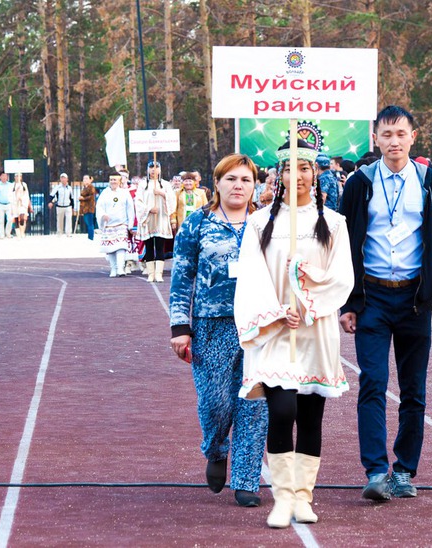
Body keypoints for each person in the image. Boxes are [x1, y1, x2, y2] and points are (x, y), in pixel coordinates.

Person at [338, 105, 432, 501]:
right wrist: (348, 301)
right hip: (372, 297)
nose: (393, 141)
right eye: (386, 134)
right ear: (376, 138)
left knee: (414, 390)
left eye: (400, 133)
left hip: (414, 300)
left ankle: (405, 469)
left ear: (413, 136)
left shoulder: (429, 182)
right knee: (371, 382)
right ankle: (375, 471)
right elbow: (343, 243)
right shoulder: (360, 183)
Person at [234, 140, 354, 528]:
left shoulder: (334, 223)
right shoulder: (258, 224)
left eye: (305, 168)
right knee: (281, 411)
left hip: (314, 329)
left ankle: (304, 496)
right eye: (290, 169)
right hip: (275, 331)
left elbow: (343, 276)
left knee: (311, 416)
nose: (297, 176)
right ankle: (282, 498)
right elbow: (250, 276)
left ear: (314, 174)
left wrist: (307, 290)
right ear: (279, 175)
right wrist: (275, 312)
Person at [170, 154, 268, 509]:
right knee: (215, 402)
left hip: (259, 326)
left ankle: (246, 479)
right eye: (230, 179)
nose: (238, 185)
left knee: (255, 404)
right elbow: (182, 277)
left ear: (254, 184)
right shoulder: (197, 223)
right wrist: (180, 327)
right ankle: (216, 449)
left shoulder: (267, 224)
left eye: (245, 179)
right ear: (217, 184)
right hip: (212, 325)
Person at [135, 161, 175, 283]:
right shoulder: (142, 185)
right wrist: (149, 210)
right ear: (148, 170)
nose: (154, 170)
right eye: (151, 167)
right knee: (149, 246)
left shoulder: (166, 185)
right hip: (148, 219)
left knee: (159, 246)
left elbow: (172, 201)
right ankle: (151, 273)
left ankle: (159, 273)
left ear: (160, 170)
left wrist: (162, 194)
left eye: (156, 167)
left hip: (161, 219)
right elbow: (138, 202)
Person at [96, 173, 135, 277]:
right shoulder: (105, 193)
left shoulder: (124, 193)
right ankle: (113, 268)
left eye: (115, 180)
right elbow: (99, 207)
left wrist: (130, 225)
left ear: (119, 181)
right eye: (111, 179)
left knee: (121, 247)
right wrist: (103, 215)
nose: (113, 182)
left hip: (121, 224)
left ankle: (121, 269)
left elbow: (130, 209)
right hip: (108, 225)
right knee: (111, 249)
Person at [0, 172, 15, 238]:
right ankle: (2, 234)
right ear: (0, 177)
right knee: (1, 220)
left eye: (6, 176)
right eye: (3, 176)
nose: (4, 177)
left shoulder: (11, 185)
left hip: (9, 204)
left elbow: (13, 194)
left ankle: (8, 233)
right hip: (0, 204)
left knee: (10, 219)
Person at [11, 173, 32, 238]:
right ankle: (18, 233)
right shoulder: (12, 185)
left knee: (22, 217)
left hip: (22, 204)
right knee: (16, 219)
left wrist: (25, 201)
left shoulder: (24, 184)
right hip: (15, 204)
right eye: (16, 176)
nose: (18, 177)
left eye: (19, 176)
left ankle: (22, 232)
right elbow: (10, 194)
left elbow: (26, 194)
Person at [78, 174, 97, 241]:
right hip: (85, 208)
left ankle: (91, 237)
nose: (85, 180)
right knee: (88, 222)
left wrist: (83, 198)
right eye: (84, 178)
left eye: (86, 178)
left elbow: (91, 196)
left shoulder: (91, 187)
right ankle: (89, 236)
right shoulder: (84, 187)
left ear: (89, 180)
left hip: (89, 208)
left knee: (90, 223)